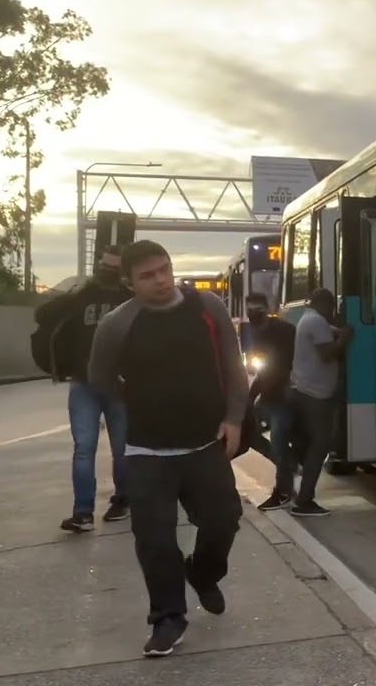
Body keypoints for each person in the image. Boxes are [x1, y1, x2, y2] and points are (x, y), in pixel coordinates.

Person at [87, 240, 248, 658]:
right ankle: (167, 618)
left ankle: (205, 572)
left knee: (224, 520)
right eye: (148, 276)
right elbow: (100, 378)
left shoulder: (206, 307)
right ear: (129, 283)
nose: (160, 280)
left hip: (205, 444)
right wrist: (138, 403)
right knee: (154, 539)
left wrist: (233, 419)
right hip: (147, 451)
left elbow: (234, 365)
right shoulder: (118, 325)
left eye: (164, 269)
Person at [33, 245, 134, 532]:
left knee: (121, 449)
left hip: (120, 385)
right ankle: (83, 512)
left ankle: (123, 501)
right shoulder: (82, 296)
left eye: (115, 268)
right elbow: (43, 314)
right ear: (97, 264)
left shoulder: (131, 299)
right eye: (106, 266)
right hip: (84, 383)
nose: (109, 273)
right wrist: (73, 292)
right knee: (84, 448)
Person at [287, 287, 352, 517]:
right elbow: (327, 353)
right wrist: (344, 338)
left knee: (307, 444)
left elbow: (330, 331)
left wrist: (337, 331)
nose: (332, 311)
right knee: (320, 446)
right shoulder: (316, 322)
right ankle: (304, 500)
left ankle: (292, 488)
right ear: (325, 304)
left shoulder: (308, 319)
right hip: (315, 395)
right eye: (331, 306)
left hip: (305, 391)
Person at [244, 291, 298, 510]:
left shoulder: (283, 331)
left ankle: (284, 490)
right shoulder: (257, 333)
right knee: (250, 432)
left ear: (267, 309)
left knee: (278, 440)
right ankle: (288, 465)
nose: (253, 314)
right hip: (269, 395)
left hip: (285, 394)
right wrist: (250, 398)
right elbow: (263, 371)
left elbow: (283, 366)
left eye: (257, 309)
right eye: (250, 310)